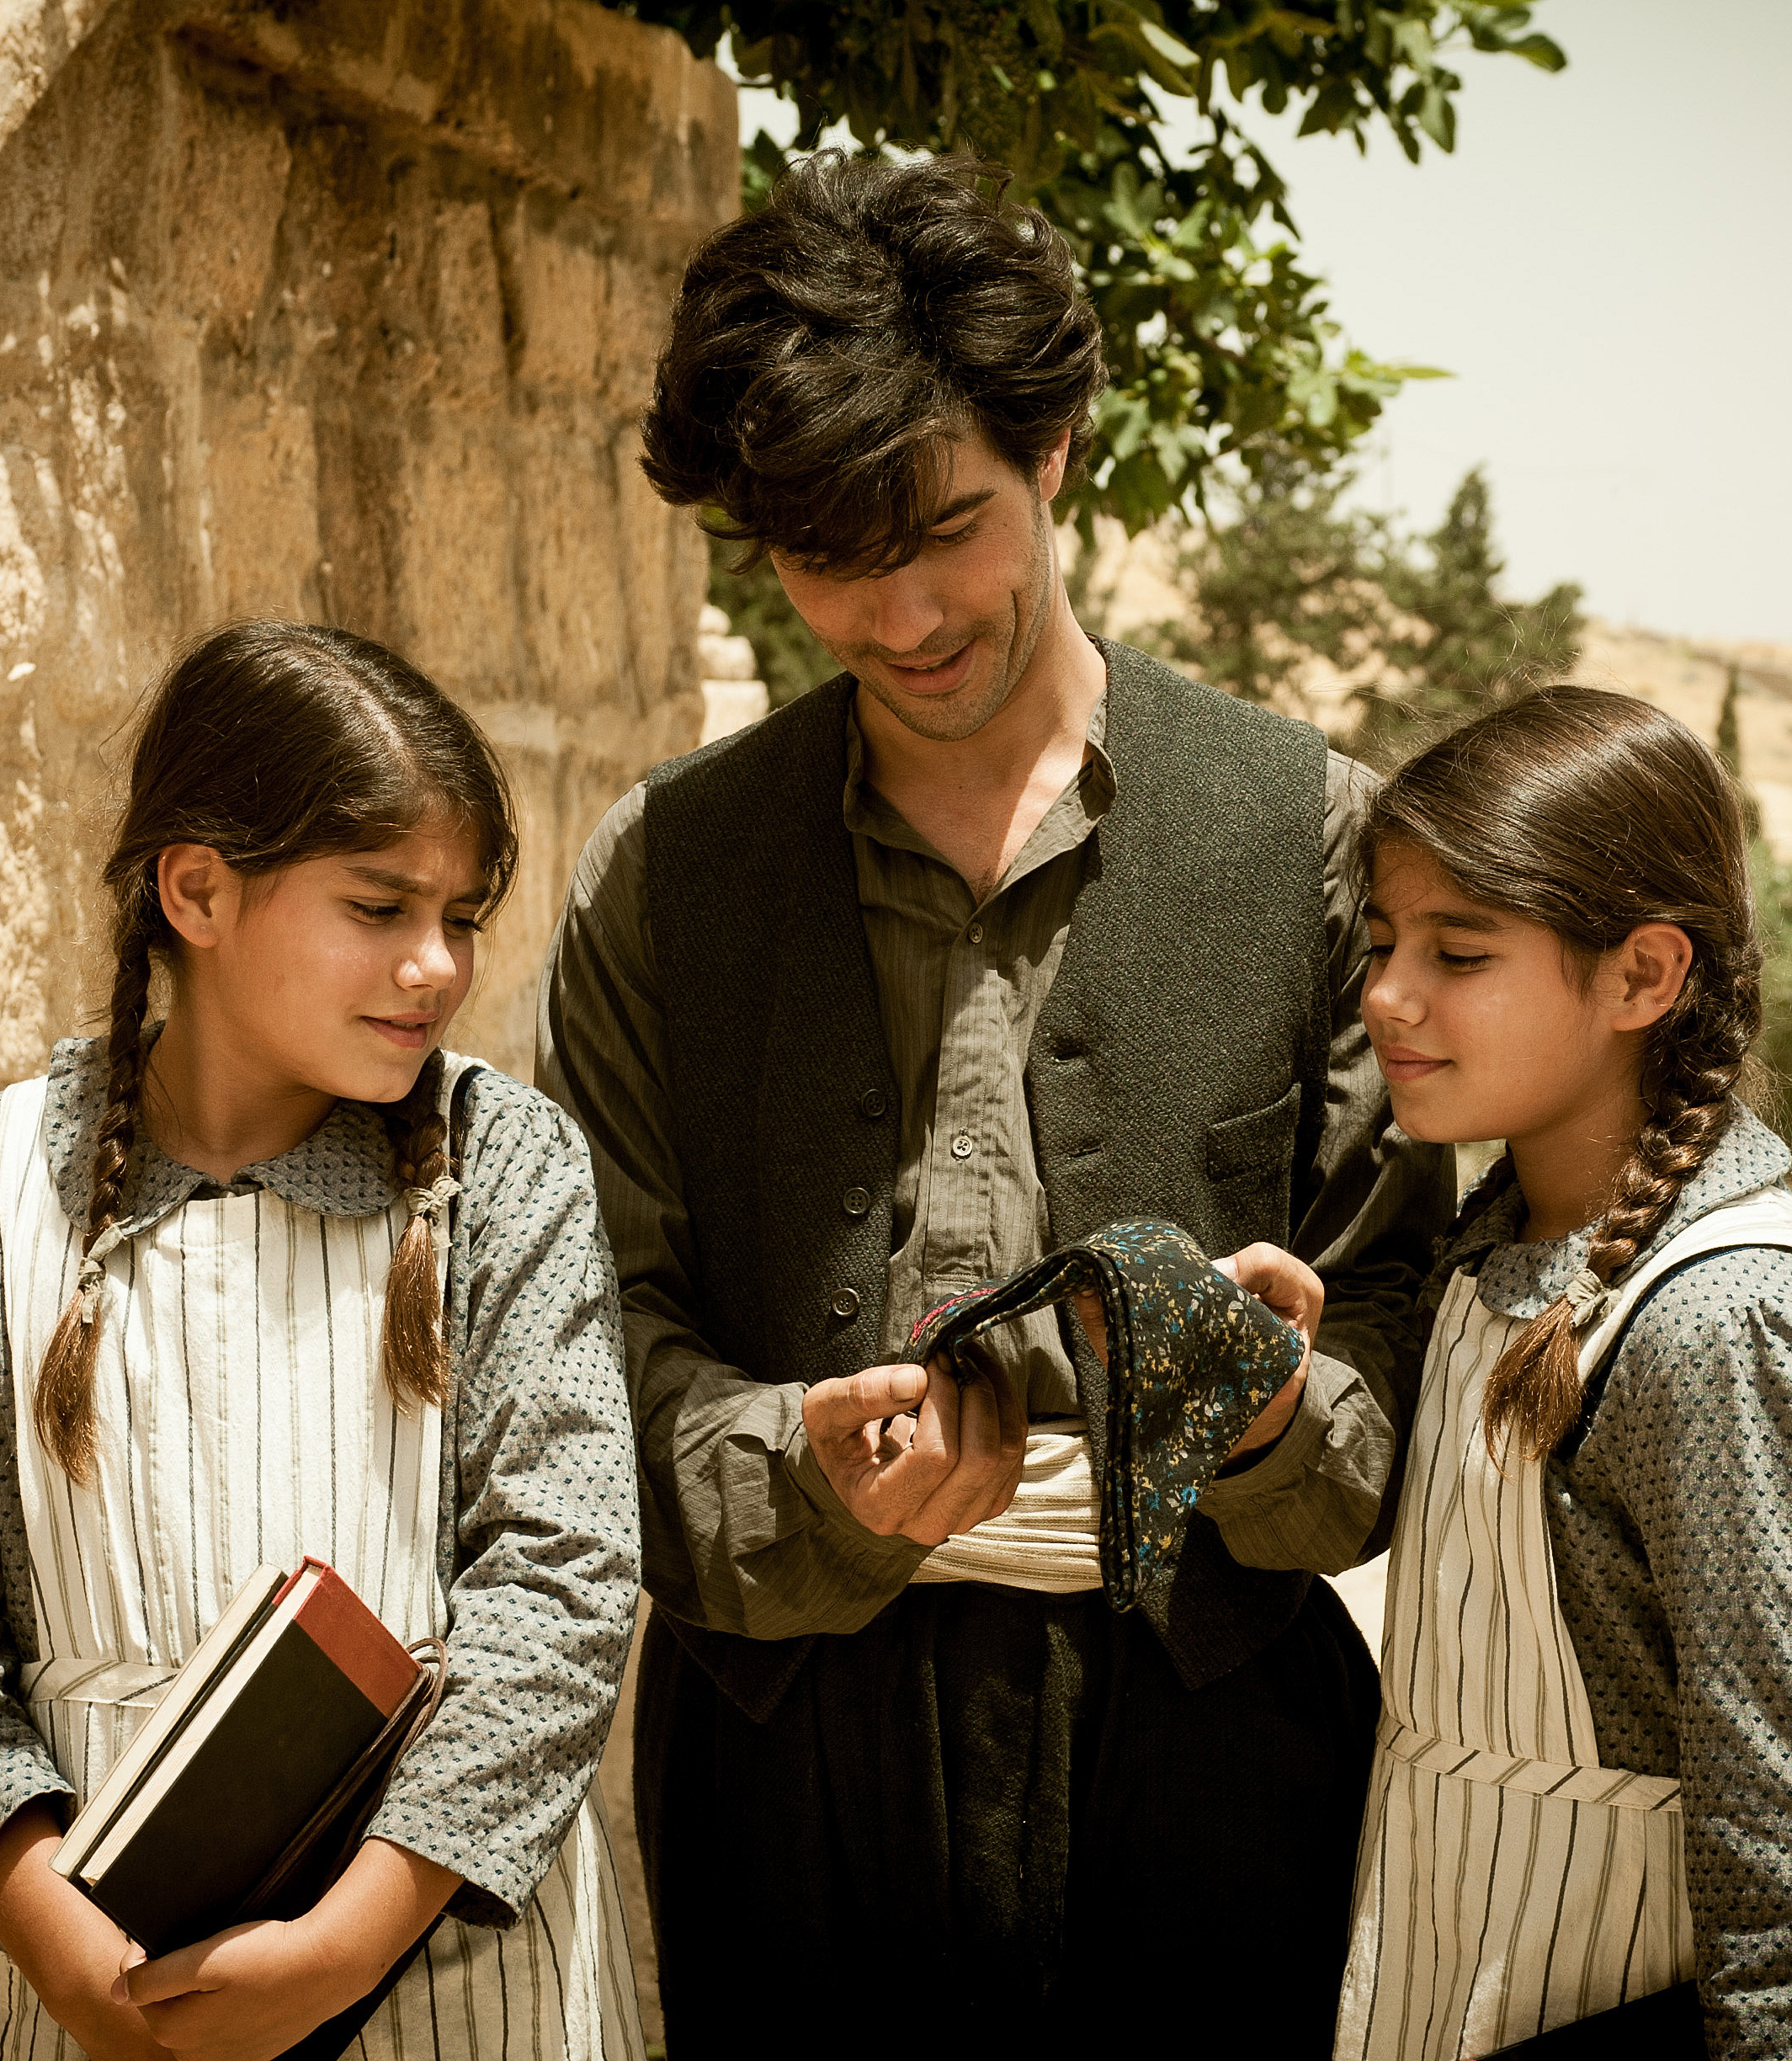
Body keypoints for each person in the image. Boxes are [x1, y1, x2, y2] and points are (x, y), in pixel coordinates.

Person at [539, 152, 1459, 2053]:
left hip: (1215, 1778)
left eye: (942, 526)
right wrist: (801, 1471)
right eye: (820, 563)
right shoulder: (656, 873)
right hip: (785, 1792)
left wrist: (1276, 1405)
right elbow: (590, 1351)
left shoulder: (1314, 839)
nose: (895, 615)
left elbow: (1386, 1347)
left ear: (1051, 450)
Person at [0, 622, 645, 2061]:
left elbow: (565, 1580)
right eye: (380, 908)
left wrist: (347, 1942)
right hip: (77, 1981)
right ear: (197, 888)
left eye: (461, 918)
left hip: (448, 1975)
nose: (436, 967)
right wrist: (65, 1948)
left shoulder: (505, 1168)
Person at [1338, 686, 1792, 2060]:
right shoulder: (1480, 1259)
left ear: (1642, 976)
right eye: (1384, 942)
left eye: (1461, 951)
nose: (1387, 995)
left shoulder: (1735, 1330)